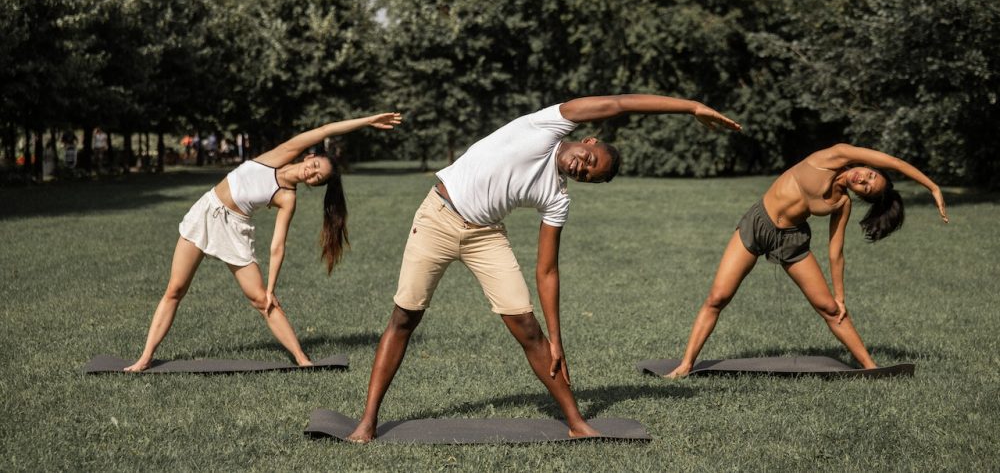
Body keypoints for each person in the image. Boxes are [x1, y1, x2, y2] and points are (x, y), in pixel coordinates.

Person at [346, 94, 741, 442]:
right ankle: (367, 422)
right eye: (590, 159)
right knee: (404, 318)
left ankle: (575, 422)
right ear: (588, 140)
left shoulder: (557, 198)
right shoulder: (548, 125)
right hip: (437, 217)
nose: (582, 167)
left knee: (531, 332)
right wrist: (690, 107)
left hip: (486, 236)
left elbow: (547, 270)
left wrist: (557, 338)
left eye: (589, 174)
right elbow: (620, 103)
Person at [124, 113, 402, 372]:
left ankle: (303, 360)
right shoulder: (280, 155)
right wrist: (368, 121)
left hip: (234, 230)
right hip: (205, 212)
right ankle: (145, 358)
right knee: (175, 289)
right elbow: (325, 129)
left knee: (262, 300)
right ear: (309, 157)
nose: (312, 173)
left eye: (318, 178)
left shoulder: (287, 197)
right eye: (315, 166)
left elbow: (278, 245)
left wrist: (271, 287)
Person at [664, 144, 949, 378]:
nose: (864, 181)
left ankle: (870, 367)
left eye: (868, 189)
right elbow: (892, 160)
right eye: (870, 176)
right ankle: (686, 364)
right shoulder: (835, 156)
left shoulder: (842, 203)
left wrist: (840, 296)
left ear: (862, 197)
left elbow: (836, 251)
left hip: (791, 239)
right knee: (718, 297)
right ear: (867, 166)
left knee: (829, 308)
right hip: (758, 223)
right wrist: (932, 186)